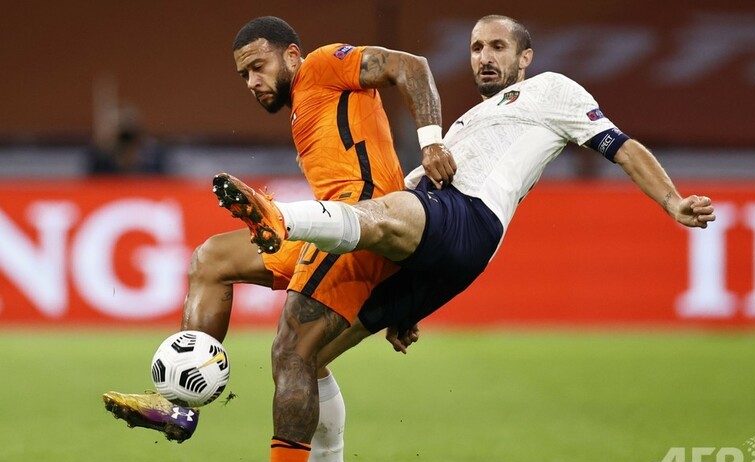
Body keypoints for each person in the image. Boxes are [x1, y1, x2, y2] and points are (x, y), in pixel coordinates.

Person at [215, 13, 717, 400]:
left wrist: (672, 201)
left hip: (467, 216)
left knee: (382, 211)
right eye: (476, 47)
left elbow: (621, 147)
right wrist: (412, 300)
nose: (484, 57)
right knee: (305, 357)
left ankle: (284, 218)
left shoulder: (550, 90)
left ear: (525, 57)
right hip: (435, 241)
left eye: (498, 46)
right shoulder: (465, 123)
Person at [102, 15, 455, 462]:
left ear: (291, 55)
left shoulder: (323, 66)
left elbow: (411, 66)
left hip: (362, 225)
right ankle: (185, 408)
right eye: (243, 75)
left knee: (292, 352)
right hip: (330, 228)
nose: (252, 82)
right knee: (211, 260)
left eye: (258, 67)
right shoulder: (304, 108)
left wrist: (431, 142)